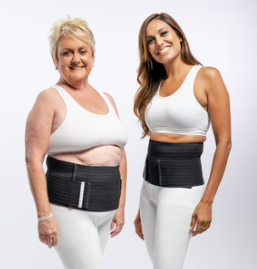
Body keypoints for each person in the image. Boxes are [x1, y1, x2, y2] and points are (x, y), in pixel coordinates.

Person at [25, 17, 127, 269]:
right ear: (55, 59)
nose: (76, 59)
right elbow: (33, 159)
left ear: (93, 55)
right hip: (70, 207)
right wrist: (44, 215)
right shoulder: (49, 99)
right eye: (66, 53)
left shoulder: (108, 99)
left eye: (82, 51)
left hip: (106, 207)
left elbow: (119, 154)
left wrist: (121, 206)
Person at [133, 13, 231, 269]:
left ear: (178, 35)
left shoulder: (207, 76)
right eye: (150, 40)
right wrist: (140, 207)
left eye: (164, 33)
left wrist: (207, 201)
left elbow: (225, 143)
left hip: (182, 188)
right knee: (160, 264)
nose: (158, 43)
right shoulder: (153, 85)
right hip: (149, 188)